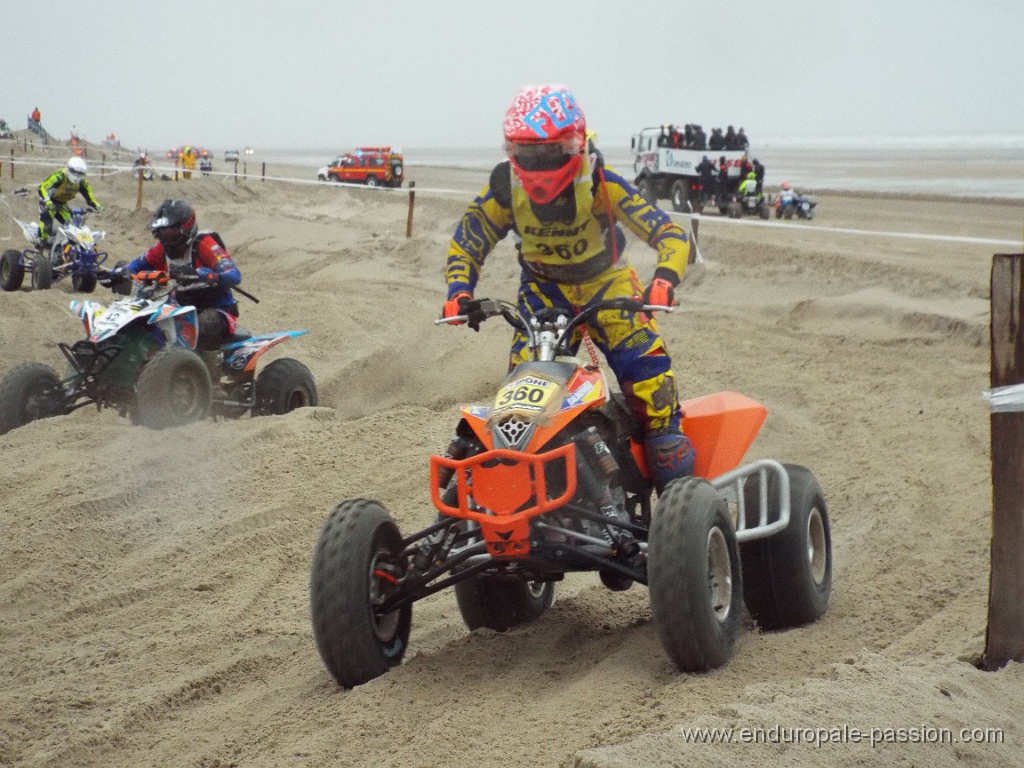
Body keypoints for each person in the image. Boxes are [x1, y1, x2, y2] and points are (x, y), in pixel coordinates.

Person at [442, 84, 696, 488]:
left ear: (575, 144)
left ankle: (678, 501)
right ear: (511, 149)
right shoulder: (505, 187)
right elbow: (468, 241)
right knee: (523, 407)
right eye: (528, 152)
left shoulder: (601, 184)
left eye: (549, 151)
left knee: (653, 393)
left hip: (607, 286)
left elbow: (669, 233)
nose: (539, 162)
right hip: (543, 293)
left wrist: (663, 280)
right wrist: (459, 291)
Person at [121, 199, 242, 360]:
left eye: (170, 232)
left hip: (219, 310)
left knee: (204, 325)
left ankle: (211, 375)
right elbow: (136, 265)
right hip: (182, 309)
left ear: (185, 229)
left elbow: (234, 275)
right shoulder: (161, 249)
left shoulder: (204, 244)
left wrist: (213, 275)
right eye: (161, 232)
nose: (165, 238)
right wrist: (122, 272)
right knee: (145, 321)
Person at [36, 157, 102, 251]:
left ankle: (64, 248)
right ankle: (40, 246)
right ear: (69, 169)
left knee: (72, 226)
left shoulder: (82, 182)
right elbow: (42, 187)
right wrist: (47, 200)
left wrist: (98, 206)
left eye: (80, 173)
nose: (77, 175)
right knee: (46, 226)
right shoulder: (60, 176)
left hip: (62, 204)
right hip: (48, 203)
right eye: (75, 172)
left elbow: (90, 198)